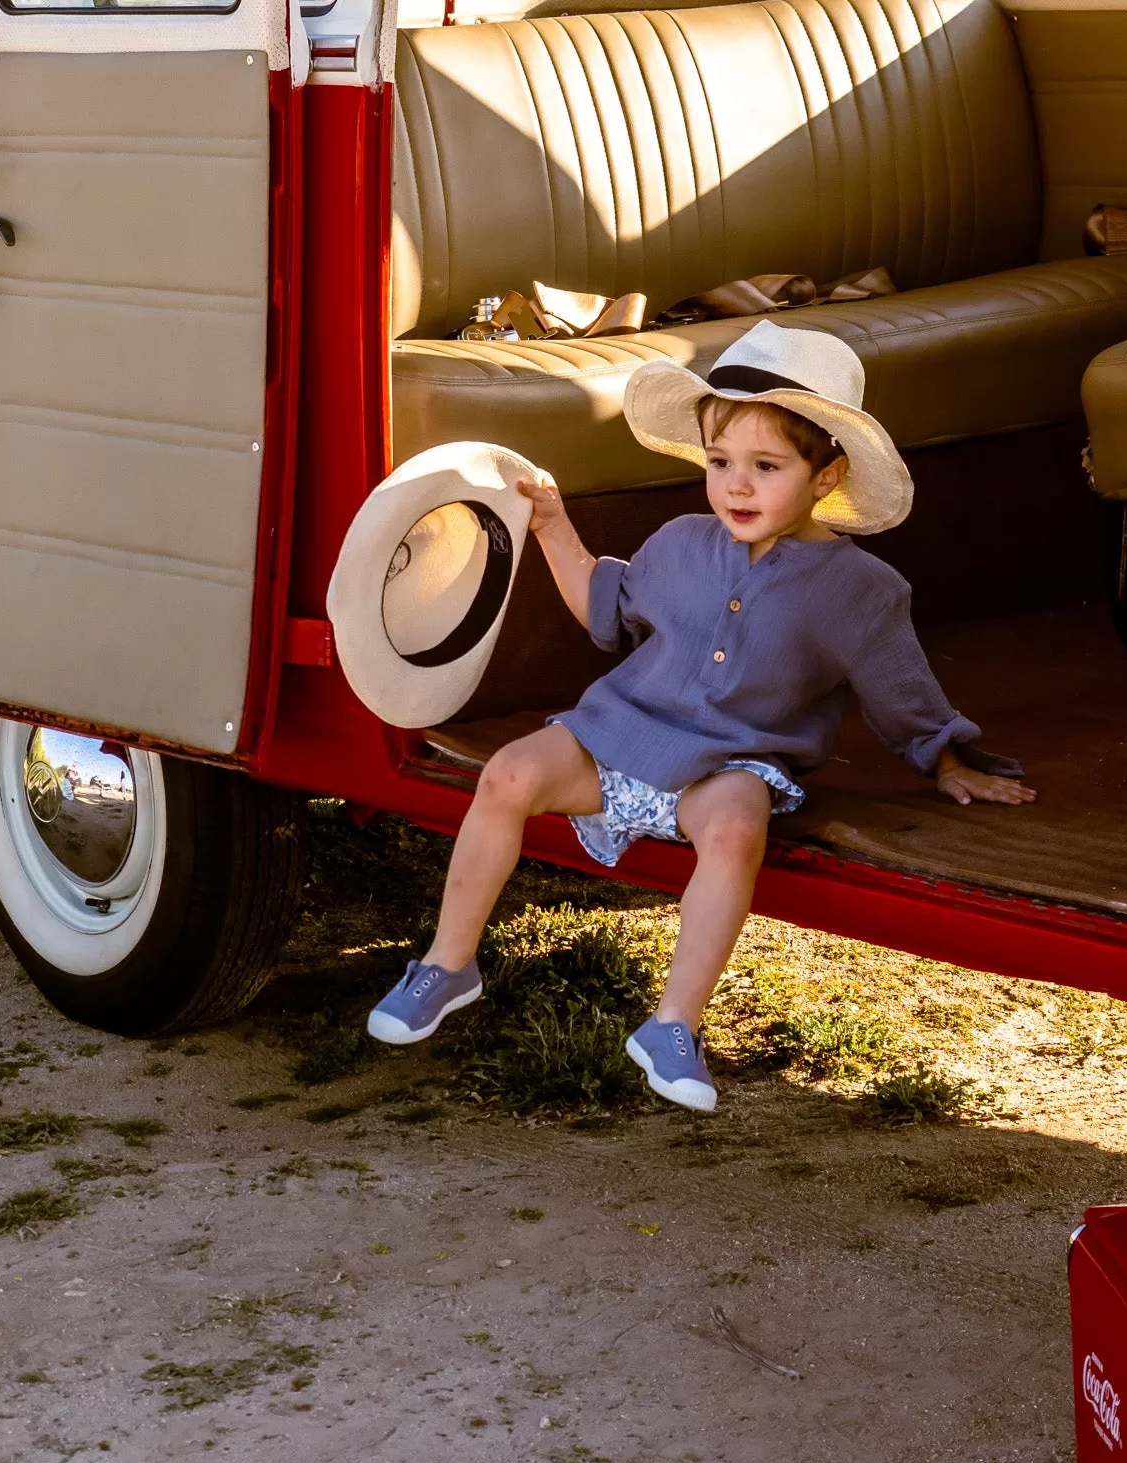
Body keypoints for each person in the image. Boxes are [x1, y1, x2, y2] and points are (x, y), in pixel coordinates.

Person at [365, 321, 1035, 1111]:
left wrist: (948, 759)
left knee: (736, 829)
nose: (736, 487)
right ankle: (449, 963)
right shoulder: (680, 543)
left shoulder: (860, 589)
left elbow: (901, 688)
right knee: (509, 772)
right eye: (720, 464)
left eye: (765, 467)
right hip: (619, 734)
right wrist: (552, 525)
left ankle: (673, 1023)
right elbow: (605, 611)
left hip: (728, 763)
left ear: (827, 476)